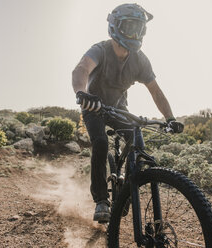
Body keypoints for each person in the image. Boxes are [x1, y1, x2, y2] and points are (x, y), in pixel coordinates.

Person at [72, 3, 184, 223]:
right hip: (93, 106)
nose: (134, 34)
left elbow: (156, 91)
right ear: (115, 27)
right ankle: (102, 200)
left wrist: (170, 118)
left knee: (136, 139)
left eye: (139, 29)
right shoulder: (100, 50)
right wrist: (81, 93)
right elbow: (81, 68)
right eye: (129, 27)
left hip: (118, 109)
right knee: (101, 143)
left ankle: (127, 190)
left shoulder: (140, 59)